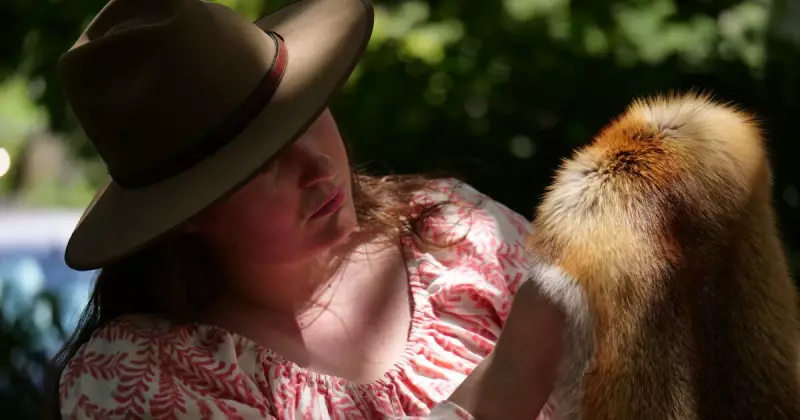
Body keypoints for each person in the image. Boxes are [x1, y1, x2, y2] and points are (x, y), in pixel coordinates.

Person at [46, 0, 568, 418]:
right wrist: (508, 381)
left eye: (306, 114)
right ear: (186, 214)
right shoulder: (138, 378)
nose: (318, 167)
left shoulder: (453, 229)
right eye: (262, 162)